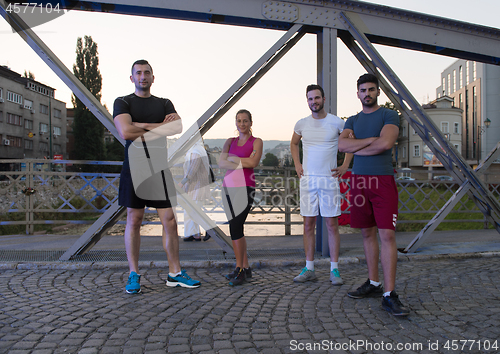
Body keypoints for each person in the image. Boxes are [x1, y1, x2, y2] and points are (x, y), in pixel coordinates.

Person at [113, 59, 201, 294]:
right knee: (134, 220)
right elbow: (125, 131)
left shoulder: (164, 103)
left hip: (159, 169)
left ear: (153, 77)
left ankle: (174, 273)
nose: (143, 76)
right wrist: (158, 126)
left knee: (170, 220)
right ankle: (134, 274)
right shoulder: (122, 102)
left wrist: (140, 125)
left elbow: (176, 128)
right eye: (138, 73)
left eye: (147, 73)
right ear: (132, 78)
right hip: (135, 168)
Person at [338, 73, 409, 316]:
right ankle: (374, 283)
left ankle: (389, 295)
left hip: (382, 181)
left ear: (377, 92)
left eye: (371, 90)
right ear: (357, 93)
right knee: (366, 233)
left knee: (386, 235)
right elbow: (342, 146)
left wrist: (359, 144)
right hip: (358, 181)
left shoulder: (388, 115)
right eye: (362, 90)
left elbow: (386, 144)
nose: (366, 94)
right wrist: (371, 141)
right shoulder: (352, 120)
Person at [290, 84, 353, 285]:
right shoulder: (301, 124)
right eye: (310, 99)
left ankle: (334, 270)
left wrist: (344, 165)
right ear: (307, 101)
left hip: (329, 179)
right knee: (308, 224)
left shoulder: (337, 122)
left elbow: (351, 142)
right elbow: (294, 143)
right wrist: (297, 164)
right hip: (308, 180)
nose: (313, 102)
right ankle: (309, 268)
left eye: (316, 98)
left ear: (323, 99)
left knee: (331, 224)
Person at [218, 109, 263, 286]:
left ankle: (239, 270)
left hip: (246, 188)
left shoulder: (257, 142)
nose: (242, 124)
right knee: (236, 227)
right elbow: (221, 163)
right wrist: (242, 160)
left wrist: (232, 159)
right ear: (235, 123)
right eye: (239, 121)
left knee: (236, 226)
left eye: (245, 121)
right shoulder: (229, 141)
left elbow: (253, 163)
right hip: (228, 187)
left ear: (251, 123)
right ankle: (246, 267)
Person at [180, 139, 211, 242]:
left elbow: (192, 169)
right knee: (190, 210)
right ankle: (194, 233)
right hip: (195, 186)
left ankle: (210, 227)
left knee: (193, 210)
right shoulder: (198, 150)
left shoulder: (196, 152)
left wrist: (182, 182)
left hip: (196, 186)